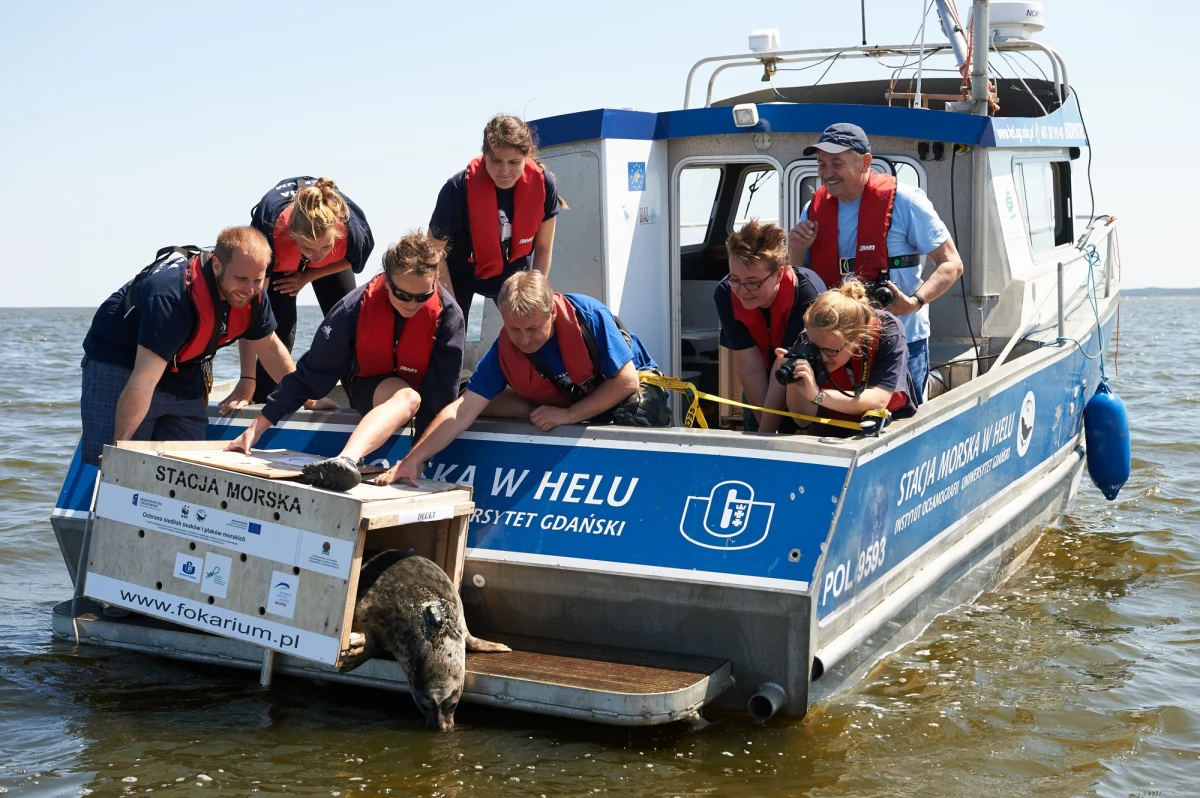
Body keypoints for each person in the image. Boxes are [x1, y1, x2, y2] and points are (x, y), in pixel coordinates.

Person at [376, 271, 669, 487]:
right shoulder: (504, 349)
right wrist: (413, 459)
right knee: (469, 400)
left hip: (630, 389)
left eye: (532, 328)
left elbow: (626, 381)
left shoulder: (589, 315)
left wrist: (568, 415)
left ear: (552, 312)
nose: (524, 339)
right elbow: (462, 411)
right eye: (514, 329)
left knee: (634, 412)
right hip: (563, 395)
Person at [225, 231, 466, 492]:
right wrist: (257, 428)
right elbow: (310, 373)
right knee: (408, 398)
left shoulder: (449, 316)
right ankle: (346, 460)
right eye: (402, 295)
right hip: (369, 385)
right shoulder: (353, 308)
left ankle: (349, 461)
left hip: (424, 392)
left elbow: (442, 397)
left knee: (444, 397)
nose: (412, 304)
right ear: (386, 281)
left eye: (422, 297)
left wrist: (417, 460)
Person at [80, 227, 298, 466]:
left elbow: (270, 349)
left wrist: (306, 396)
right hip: (123, 363)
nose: (249, 289)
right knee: (117, 462)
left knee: (186, 465)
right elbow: (144, 380)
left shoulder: (254, 295)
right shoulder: (171, 297)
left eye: (257, 280)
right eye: (241, 279)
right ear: (216, 265)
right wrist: (118, 447)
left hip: (184, 368)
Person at [788, 123, 963, 398]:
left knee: (902, 420)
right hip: (833, 348)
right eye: (821, 164)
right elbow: (802, 277)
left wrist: (913, 303)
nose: (827, 173)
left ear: (865, 162)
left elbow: (951, 263)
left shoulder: (906, 201)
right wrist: (796, 249)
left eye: (836, 163)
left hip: (899, 339)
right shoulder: (812, 210)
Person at [231, 176, 374, 407]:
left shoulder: (352, 229)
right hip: (279, 261)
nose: (316, 255)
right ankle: (261, 401)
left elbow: (353, 260)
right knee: (281, 332)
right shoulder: (269, 232)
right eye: (308, 247)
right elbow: (251, 311)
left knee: (352, 329)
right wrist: (247, 378)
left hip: (330, 265)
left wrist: (308, 275)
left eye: (325, 246)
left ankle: (363, 402)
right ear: (292, 235)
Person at [429, 114, 562, 327]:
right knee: (450, 330)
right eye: (496, 161)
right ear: (484, 154)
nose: (504, 171)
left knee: (532, 331)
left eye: (514, 162)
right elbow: (434, 249)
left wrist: (535, 291)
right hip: (459, 274)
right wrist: (450, 305)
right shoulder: (456, 188)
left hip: (515, 274)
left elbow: (544, 247)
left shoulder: (545, 185)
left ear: (527, 156)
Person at [713, 219, 825, 433]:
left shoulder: (807, 295)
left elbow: (786, 361)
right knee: (756, 427)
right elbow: (749, 366)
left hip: (805, 381)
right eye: (735, 279)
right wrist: (762, 434)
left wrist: (765, 434)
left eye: (753, 282)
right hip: (761, 379)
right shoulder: (725, 293)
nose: (743, 290)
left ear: (780, 274)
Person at [777, 281, 919, 437]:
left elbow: (879, 401)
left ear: (857, 339)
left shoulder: (888, 330)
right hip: (833, 425)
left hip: (886, 424)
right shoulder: (807, 341)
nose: (822, 357)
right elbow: (802, 419)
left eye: (830, 351)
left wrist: (818, 395)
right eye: (816, 348)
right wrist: (794, 381)